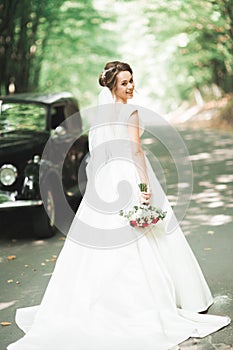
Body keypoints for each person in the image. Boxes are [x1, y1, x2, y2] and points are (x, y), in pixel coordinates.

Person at [7, 61, 230, 350]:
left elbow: (96, 154)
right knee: (146, 236)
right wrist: (144, 186)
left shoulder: (101, 114)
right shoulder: (130, 111)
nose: (130, 86)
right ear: (113, 86)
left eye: (131, 80)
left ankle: (100, 305)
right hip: (129, 175)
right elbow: (136, 150)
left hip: (106, 180)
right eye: (124, 82)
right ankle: (156, 302)